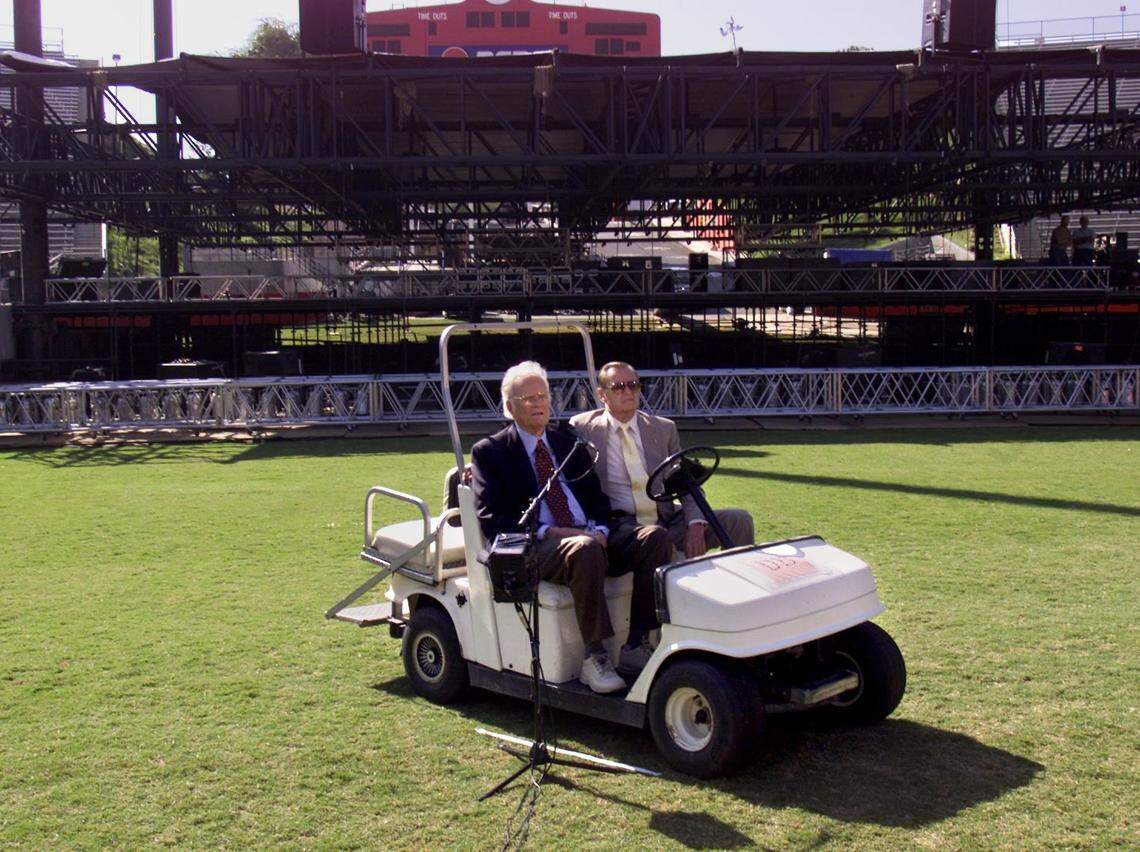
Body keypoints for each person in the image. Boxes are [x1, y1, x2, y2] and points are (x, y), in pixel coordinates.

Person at [471, 361, 670, 694]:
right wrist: (559, 534)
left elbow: (597, 497)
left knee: (654, 538)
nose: (538, 404)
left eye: (543, 396)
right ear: (509, 407)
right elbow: (493, 519)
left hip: (589, 535)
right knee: (584, 548)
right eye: (528, 399)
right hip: (540, 545)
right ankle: (595, 657)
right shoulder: (491, 452)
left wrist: (602, 530)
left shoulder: (567, 441)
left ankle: (636, 643)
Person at [570, 361, 755, 564]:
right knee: (656, 537)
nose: (628, 392)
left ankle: (745, 587)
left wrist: (695, 523)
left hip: (666, 518)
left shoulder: (663, 429)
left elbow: (686, 482)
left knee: (739, 520)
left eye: (633, 385)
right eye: (618, 387)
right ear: (602, 394)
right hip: (621, 526)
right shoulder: (583, 428)